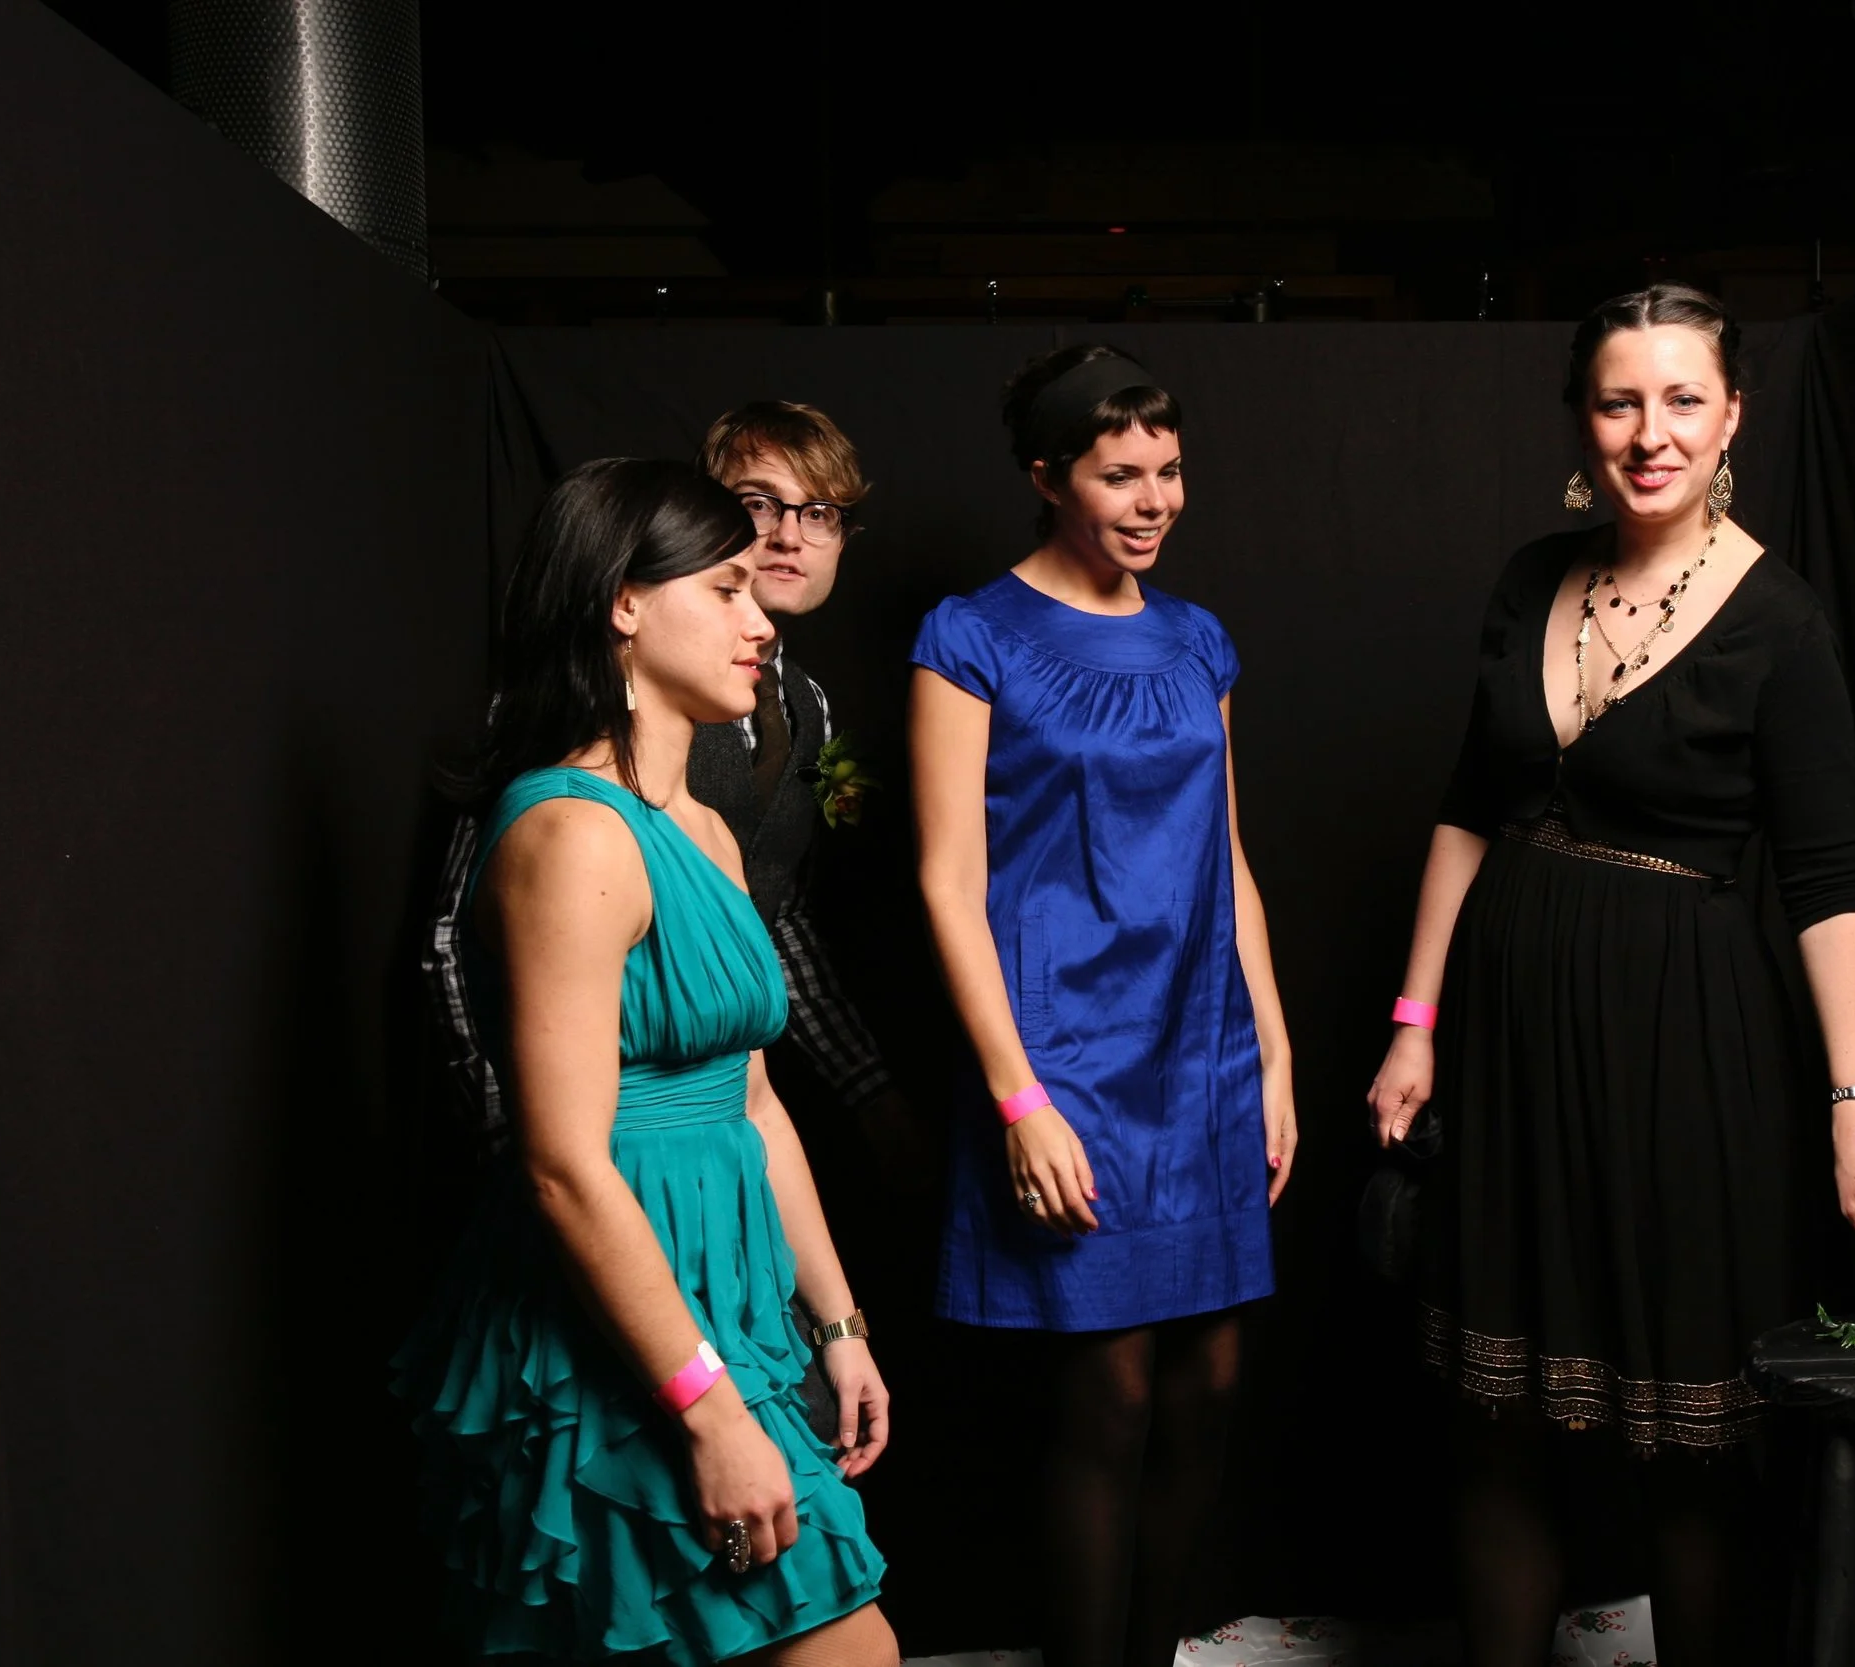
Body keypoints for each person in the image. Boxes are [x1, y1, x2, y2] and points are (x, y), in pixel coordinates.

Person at [1363, 285, 1855, 1667]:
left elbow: (1831, 881)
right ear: (1583, 421)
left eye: (1682, 400)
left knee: (1688, 1436)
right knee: (1496, 1416)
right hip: (1511, 1040)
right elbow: (1468, 807)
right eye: (1620, 401)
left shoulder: (1783, 624)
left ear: (1732, 418)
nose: (1651, 433)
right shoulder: (1532, 577)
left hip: (1683, 1047)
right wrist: (1416, 1019)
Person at [394, 459, 896, 1667]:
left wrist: (836, 1320)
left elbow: (758, 1100)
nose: (758, 621)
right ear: (625, 600)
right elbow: (562, 1163)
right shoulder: (570, 832)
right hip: (620, 1314)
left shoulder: (705, 830)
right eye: (724, 589)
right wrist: (708, 1412)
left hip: (732, 1296)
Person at [907, 345, 1295, 1667]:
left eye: (1168, 471)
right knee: (1110, 1391)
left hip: (1201, 1048)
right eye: (1119, 473)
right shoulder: (971, 636)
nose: (1153, 500)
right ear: (1046, 475)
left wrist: (1274, 1050)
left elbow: (1227, 853)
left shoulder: (1198, 640)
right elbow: (946, 881)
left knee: (1211, 1385)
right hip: (1062, 1051)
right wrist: (1017, 1096)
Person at [429, 402, 911, 1175]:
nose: (789, 535)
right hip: (583, 1130)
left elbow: (774, 915)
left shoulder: (809, 707)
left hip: (726, 1120)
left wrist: (870, 1093)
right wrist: (508, 1145)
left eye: (819, 512)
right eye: (760, 503)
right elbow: (454, 938)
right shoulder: (579, 696)